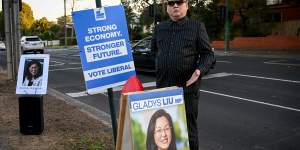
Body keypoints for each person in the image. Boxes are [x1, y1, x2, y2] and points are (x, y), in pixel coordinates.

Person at [151, 0, 214, 149]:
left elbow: (208, 55)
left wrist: (198, 71)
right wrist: (161, 65)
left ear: (186, 5)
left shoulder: (197, 27)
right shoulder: (160, 28)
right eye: (171, 3)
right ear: (167, 8)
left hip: (186, 91)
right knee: (164, 132)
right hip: (163, 90)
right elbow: (154, 51)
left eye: (179, 2)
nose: (175, 6)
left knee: (188, 132)